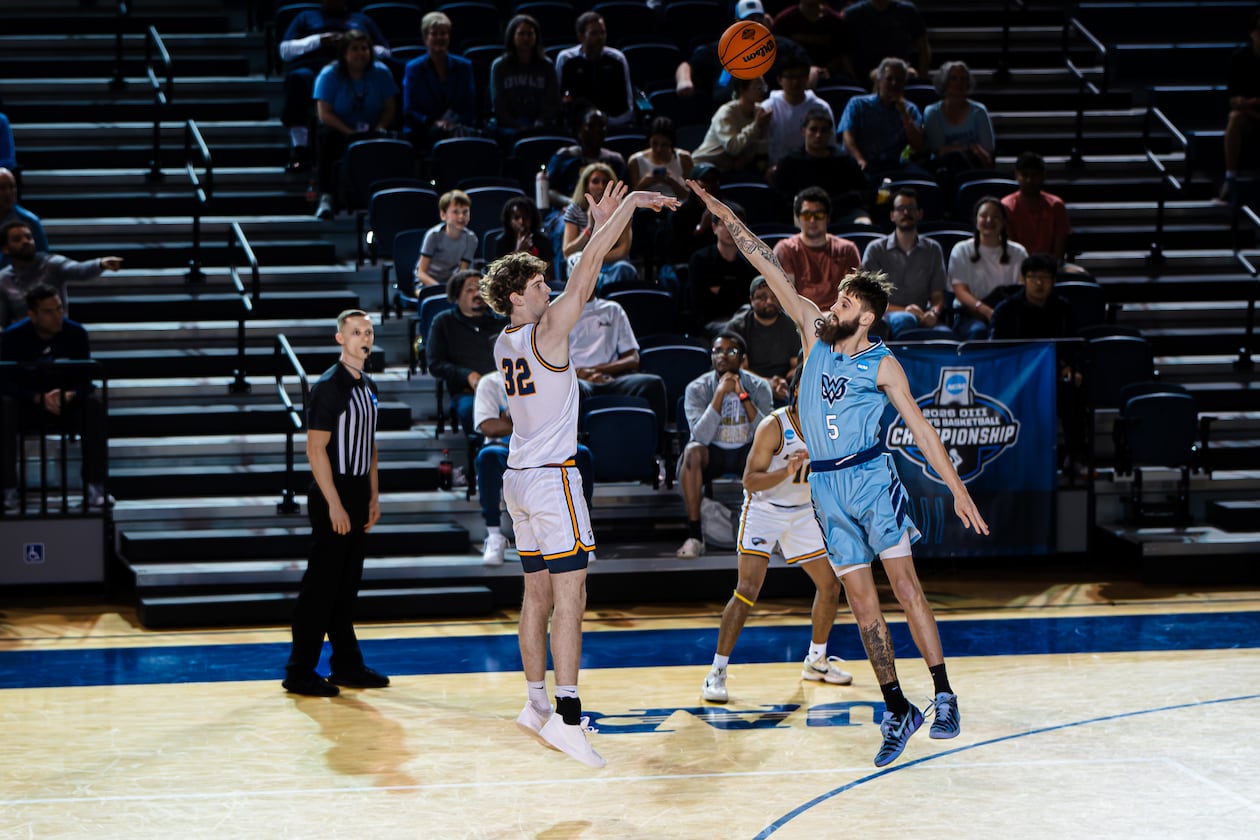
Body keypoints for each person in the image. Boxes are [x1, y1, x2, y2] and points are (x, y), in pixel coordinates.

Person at [686, 177, 988, 768]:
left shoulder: (884, 364)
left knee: (903, 586)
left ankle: (944, 693)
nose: (833, 305)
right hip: (824, 487)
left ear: (867, 317)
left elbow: (923, 433)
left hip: (872, 479)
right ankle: (897, 705)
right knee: (861, 601)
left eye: (846, 302)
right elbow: (767, 260)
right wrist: (721, 212)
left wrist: (957, 491)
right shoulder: (811, 329)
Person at [480, 182, 677, 767]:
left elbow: (582, 271)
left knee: (535, 595)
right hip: (551, 480)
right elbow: (588, 272)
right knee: (573, 596)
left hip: (517, 479)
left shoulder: (504, 342)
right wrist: (625, 209)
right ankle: (568, 718)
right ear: (519, 297)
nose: (549, 287)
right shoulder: (546, 333)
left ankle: (536, 704)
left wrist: (597, 228)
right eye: (539, 283)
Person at [700, 376, 854, 703]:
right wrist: (786, 471)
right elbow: (749, 481)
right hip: (765, 509)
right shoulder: (774, 426)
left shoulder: (828, 425)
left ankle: (816, 660)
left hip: (802, 512)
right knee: (747, 590)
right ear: (797, 390)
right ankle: (717, 672)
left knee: (830, 586)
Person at [282, 309, 390, 698]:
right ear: (340, 339)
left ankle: (346, 664)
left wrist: (373, 495)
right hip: (334, 491)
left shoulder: (369, 385)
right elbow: (315, 449)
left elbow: (371, 445)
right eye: (356, 332)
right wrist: (334, 503)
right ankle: (299, 671)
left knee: (346, 587)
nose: (364, 338)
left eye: (368, 331)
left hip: (359, 489)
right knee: (321, 588)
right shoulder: (330, 386)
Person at [1, 285, 108, 512]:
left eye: (59, 309)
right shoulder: (12, 337)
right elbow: (6, 382)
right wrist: (37, 397)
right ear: (33, 315)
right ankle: (7, 488)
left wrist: (69, 394)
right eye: (49, 311)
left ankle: (95, 486)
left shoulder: (76, 334)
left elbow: (85, 380)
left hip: (66, 406)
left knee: (93, 406)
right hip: (28, 406)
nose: (58, 316)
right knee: (4, 407)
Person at [472, 371, 593, 566]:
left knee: (582, 453)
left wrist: (512, 420)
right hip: (506, 447)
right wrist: (533, 420)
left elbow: (562, 421)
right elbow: (490, 427)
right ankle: (494, 535)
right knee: (488, 456)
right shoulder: (490, 382)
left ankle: (581, 532)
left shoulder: (548, 378)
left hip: (546, 446)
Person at [676, 331, 774, 559]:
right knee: (691, 452)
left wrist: (742, 396)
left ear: (743, 358)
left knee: (773, 454)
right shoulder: (697, 389)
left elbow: (766, 433)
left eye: (731, 351)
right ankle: (694, 536)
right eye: (717, 351)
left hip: (747, 452)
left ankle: (771, 533)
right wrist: (719, 395)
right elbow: (700, 436)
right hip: (713, 452)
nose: (722, 356)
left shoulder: (759, 386)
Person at [990, 253, 1085, 470]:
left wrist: (1074, 368)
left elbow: (1075, 346)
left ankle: (1076, 458)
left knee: (1074, 393)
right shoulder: (1006, 310)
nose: (1040, 283)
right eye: (1034, 277)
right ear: (1023, 279)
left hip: (1055, 378)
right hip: (1016, 380)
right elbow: (994, 350)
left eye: (1046, 278)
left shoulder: (1063, 309)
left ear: (1053, 281)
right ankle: (1009, 461)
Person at [278, 0, 390, 172]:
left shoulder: (361, 19)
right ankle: (300, 149)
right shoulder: (306, 17)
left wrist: (352, 47)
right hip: (314, 69)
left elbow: (386, 51)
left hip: (354, 72)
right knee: (297, 79)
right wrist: (318, 41)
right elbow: (285, 50)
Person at [312, 30, 399, 220]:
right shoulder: (329, 74)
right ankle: (326, 197)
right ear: (344, 53)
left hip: (373, 128)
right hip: (341, 129)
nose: (361, 53)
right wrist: (350, 132)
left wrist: (379, 128)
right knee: (326, 138)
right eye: (355, 49)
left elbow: (390, 107)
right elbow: (323, 113)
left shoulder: (381, 73)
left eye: (364, 49)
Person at [570, 286, 669, 451]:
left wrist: (598, 371)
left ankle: (656, 454)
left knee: (653, 384)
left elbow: (633, 358)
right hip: (577, 380)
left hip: (612, 378)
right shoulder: (558, 313)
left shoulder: (612, 309)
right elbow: (550, 361)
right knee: (572, 389)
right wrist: (580, 374)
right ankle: (576, 453)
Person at [860, 187, 950, 338]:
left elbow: (937, 296)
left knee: (946, 337)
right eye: (901, 209)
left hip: (922, 315)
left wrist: (933, 313)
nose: (906, 213)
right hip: (884, 315)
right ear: (892, 215)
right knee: (905, 319)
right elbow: (869, 299)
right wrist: (905, 310)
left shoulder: (933, 249)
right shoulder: (876, 249)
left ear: (920, 214)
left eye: (911, 208)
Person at [0, 221, 123, 329]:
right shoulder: (3, 279)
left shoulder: (51, 264)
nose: (26, 242)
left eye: (29, 237)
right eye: (17, 239)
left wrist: (100, 264)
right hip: (21, 339)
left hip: (57, 332)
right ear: (5, 249)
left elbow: (78, 270)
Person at [426, 269, 506, 434]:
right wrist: (467, 375)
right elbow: (435, 364)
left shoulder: (501, 321)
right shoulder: (444, 322)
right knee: (471, 411)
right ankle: (486, 453)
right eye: (470, 289)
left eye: (481, 288)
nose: (477, 293)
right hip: (468, 392)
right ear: (456, 296)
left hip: (506, 389)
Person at [771, 107, 870, 225]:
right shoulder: (789, 161)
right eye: (813, 129)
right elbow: (780, 197)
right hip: (802, 214)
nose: (818, 135)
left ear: (830, 133)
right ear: (804, 131)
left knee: (864, 223)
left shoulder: (845, 161)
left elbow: (861, 192)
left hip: (840, 212)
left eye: (823, 130)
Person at [949, 196, 1029, 340]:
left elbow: (1022, 288)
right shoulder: (961, 249)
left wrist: (1000, 314)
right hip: (970, 314)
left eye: (995, 216)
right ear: (976, 220)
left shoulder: (1019, 252)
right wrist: (986, 311)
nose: (989, 221)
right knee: (978, 332)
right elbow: (960, 291)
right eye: (983, 216)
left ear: (1004, 222)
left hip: (1007, 313)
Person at [772, 187, 861, 310]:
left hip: (838, 317)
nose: (812, 220)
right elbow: (787, 298)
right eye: (807, 215)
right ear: (798, 218)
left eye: (818, 214)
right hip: (800, 319)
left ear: (827, 218)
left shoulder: (847, 249)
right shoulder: (785, 249)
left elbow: (854, 293)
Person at [840, 56, 926, 181]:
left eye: (899, 80)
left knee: (924, 181)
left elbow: (918, 146)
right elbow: (847, 138)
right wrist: (860, 160)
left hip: (895, 165)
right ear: (879, 80)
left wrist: (904, 114)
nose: (894, 83)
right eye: (889, 79)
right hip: (864, 163)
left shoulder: (910, 109)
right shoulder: (857, 104)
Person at [627, 116, 693, 274]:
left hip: (677, 208)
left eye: (664, 145)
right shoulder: (636, 160)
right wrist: (647, 182)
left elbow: (690, 194)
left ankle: (671, 266)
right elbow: (633, 195)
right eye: (654, 144)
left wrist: (672, 182)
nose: (658, 149)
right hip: (648, 208)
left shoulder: (684, 158)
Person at [402, 11, 477, 150]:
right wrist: (434, 123)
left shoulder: (464, 67)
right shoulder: (413, 68)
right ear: (425, 38)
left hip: (457, 127)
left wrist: (455, 123)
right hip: (423, 129)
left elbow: (469, 105)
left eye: (443, 33)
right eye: (434, 34)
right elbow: (410, 109)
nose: (439, 37)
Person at [723, 276, 802, 404]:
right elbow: (739, 370)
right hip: (747, 387)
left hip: (783, 387)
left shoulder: (792, 325)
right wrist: (767, 383)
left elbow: (795, 366)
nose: (769, 301)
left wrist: (786, 382)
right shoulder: (738, 327)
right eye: (762, 297)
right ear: (751, 300)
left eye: (774, 295)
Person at [561, 163, 638, 293]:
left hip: (611, 263)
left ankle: (604, 297)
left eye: (605, 182)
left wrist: (595, 258)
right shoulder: (575, 209)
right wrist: (590, 227)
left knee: (624, 268)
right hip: (585, 263)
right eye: (595, 182)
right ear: (586, 186)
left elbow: (623, 250)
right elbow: (567, 251)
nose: (601, 187)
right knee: (575, 260)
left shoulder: (622, 209)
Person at [688, 201, 761, 336]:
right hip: (711, 326)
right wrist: (734, 292)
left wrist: (721, 291)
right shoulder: (700, 260)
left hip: (744, 322)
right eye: (726, 224)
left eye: (736, 225)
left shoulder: (750, 265)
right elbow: (701, 306)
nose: (732, 230)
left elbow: (749, 303)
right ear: (714, 227)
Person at [554, 11, 636, 128]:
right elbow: (557, 100)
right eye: (594, 33)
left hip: (611, 124)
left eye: (603, 33)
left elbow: (628, 104)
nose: (600, 38)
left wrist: (606, 122)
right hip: (577, 126)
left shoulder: (618, 59)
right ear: (581, 36)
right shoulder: (566, 59)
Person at [489, 14, 561, 141]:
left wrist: (539, 122)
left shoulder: (547, 66)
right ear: (512, 36)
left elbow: (551, 101)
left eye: (530, 34)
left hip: (540, 125)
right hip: (509, 126)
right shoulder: (500, 66)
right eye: (521, 34)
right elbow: (499, 103)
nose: (526, 38)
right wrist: (516, 125)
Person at [921, 61, 994, 179]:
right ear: (945, 82)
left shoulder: (979, 111)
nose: (959, 83)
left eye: (963, 79)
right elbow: (939, 150)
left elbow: (986, 149)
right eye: (954, 78)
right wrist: (969, 148)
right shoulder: (932, 112)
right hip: (942, 168)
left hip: (974, 165)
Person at [545, 107, 627, 209]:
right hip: (568, 210)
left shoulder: (615, 160)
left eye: (601, 127)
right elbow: (549, 191)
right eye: (591, 126)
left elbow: (624, 193)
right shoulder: (564, 156)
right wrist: (572, 203)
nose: (596, 131)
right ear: (580, 130)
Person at [763, 56, 834, 172]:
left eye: (800, 77)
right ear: (780, 80)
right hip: (777, 170)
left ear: (807, 78)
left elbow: (830, 143)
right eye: (790, 77)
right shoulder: (767, 108)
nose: (796, 82)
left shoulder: (821, 107)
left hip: (814, 169)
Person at [1001, 151, 1072, 267]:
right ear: (1017, 175)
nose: (1029, 180)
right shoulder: (1006, 206)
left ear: (1043, 175)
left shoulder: (1056, 205)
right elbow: (1010, 248)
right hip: (1017, 266)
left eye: (1034, 175)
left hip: (1050, 267)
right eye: (1025, 175)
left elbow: (1059, 250)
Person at [690, 75, 771, 176]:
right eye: (759, 87)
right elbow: (732, 147)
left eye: (764, 87)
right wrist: (756, 125)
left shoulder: (760, 111)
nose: (763, 91)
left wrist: (747, 157)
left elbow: (760, 145)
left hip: (728, 169)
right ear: (742, 89)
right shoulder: (727, 112)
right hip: (704, 166)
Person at [842, 0, 931, 85]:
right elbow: (844, 53)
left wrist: (921, 77)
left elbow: (924, 49)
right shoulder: (853, 14)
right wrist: (855, 80)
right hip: (864, 78)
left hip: (900, 75)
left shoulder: (907, 11)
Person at [1222, 8, 1260, 200]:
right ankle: (1230, 179)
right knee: (1235, 118)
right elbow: (1233, 101)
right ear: (1252, 32)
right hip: (1250, 117)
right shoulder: (1240, 58)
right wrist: (1250, 105)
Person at [772, 0, 849, 84]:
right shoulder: (783, 21)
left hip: (830, 78)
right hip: (793, 79)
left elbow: (843, 55)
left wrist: (826, 70)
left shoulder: (836, 21)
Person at [414, 189, 477, 291]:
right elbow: (421, 273)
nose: (461, 216)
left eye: (465, 212)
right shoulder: (433, 235)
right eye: (455, 212)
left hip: (451, 283)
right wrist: (440, 289)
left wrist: (451, 289)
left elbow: (462, 272)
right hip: (426, 283)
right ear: (443, 215)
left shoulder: (471, 239)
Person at [0, 167, 49, 269]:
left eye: (12, 187)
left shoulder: (30, 221)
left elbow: (42, 259)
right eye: (2, 188)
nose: (8, 193)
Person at [494, 196, 555, 267]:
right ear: (509, 221)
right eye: (517, 218)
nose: (521, 221)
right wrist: (519, 251)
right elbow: (500, 273)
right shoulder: (501, 242)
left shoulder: (543, 241)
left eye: (525, 217)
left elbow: (549, 271)